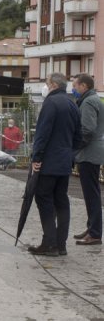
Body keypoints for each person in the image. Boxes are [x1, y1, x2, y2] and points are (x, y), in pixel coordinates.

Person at [28, 73, 82, 256]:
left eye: (46, 83)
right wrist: (70, 155)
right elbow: (78, 136)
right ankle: (61, 244)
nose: (46, 86)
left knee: (44, 199)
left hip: (49, 162)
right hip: (65, 162)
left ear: (53, 85)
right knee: (62, 201)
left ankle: (49, 244)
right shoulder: (72, 104)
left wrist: (36, 158)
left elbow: (42, 134)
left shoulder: (50, 104)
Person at [72, 73, 104, 246]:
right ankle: (92, 227)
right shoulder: (93, 99)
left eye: (75, 86)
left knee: (91, 194)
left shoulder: (89, 102)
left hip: (89, 153)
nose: (74, 89)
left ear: (84, 86)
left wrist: (75, 147)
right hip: (91, 152)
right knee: (92, 193)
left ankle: (95, 233)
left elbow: (88, 130)